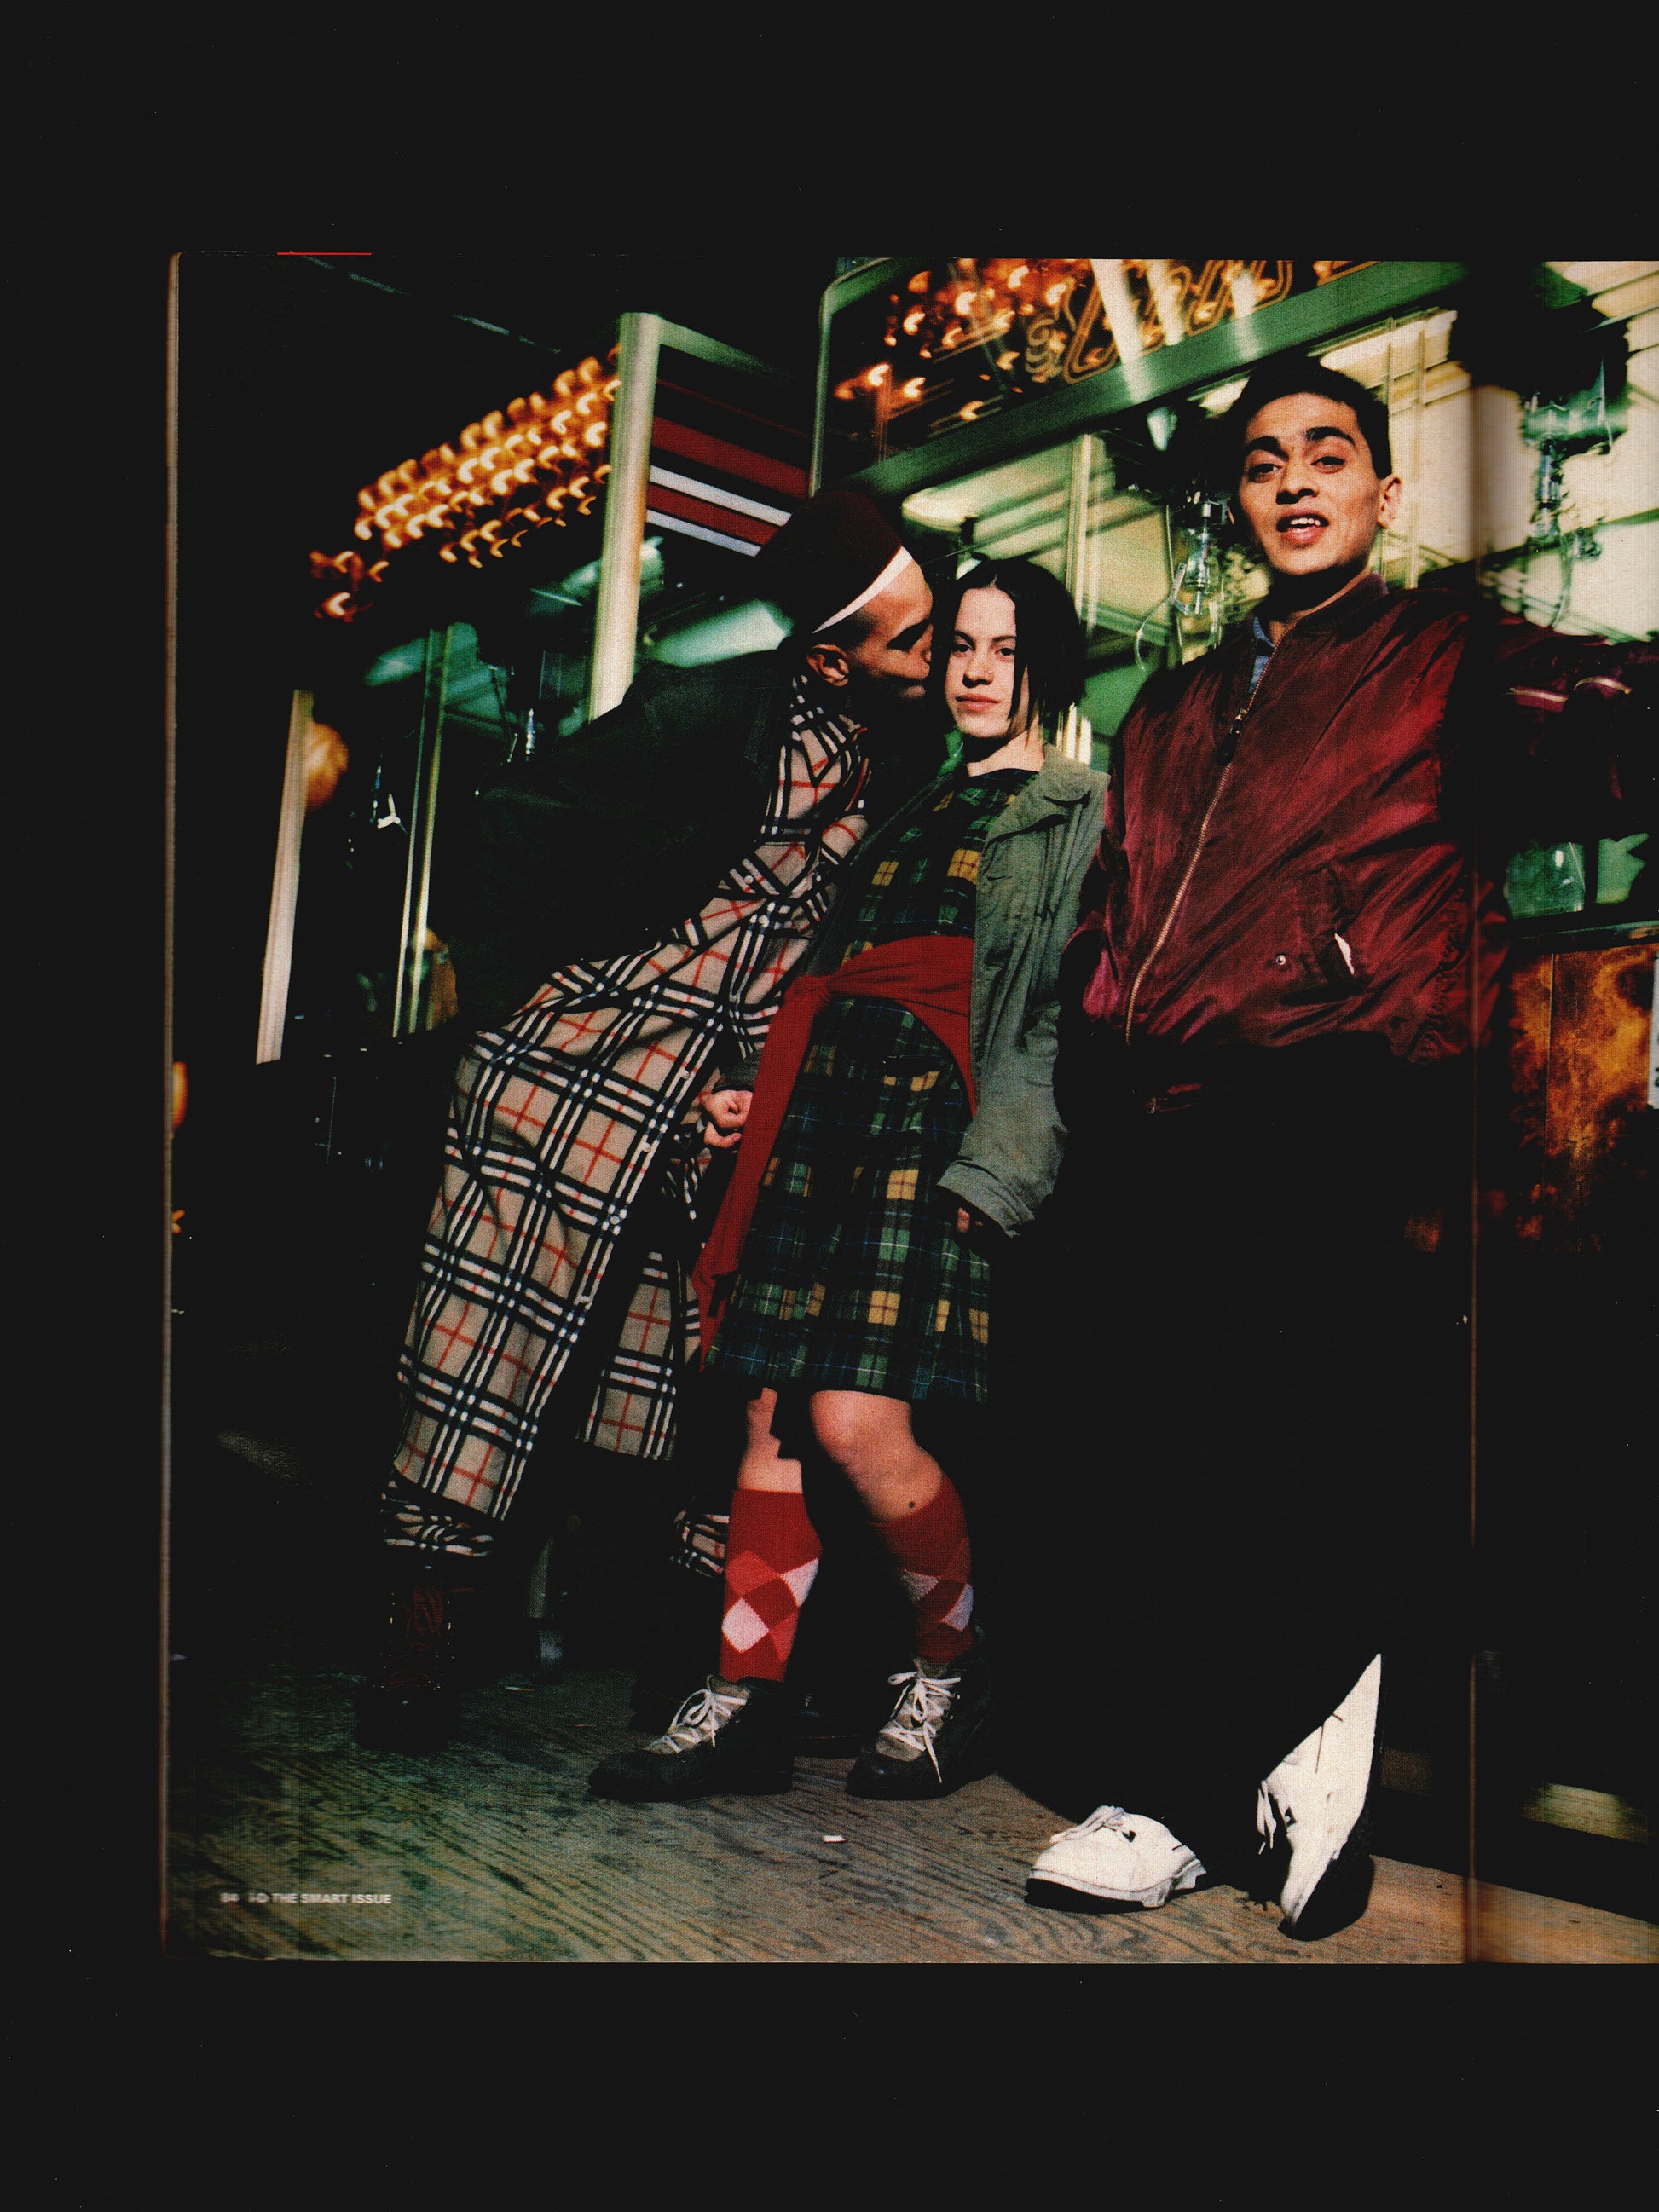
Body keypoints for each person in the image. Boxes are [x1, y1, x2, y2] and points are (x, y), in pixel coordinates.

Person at [1020, 355, 1652, 1934]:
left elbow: (1621, 729)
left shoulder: (1448, 654)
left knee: (1258, 1445)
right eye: (1261, 461)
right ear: (1237, 504)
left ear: (1383, 487)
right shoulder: (1172, 701)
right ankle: (1295, 1748)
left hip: (1341, 1092)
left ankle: (1173, 1800)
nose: (1293, 480)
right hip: (1166, 1116)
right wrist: (1099, 1033)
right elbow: (1113, 907)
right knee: (1173, 1451)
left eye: (1326, 452)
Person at [356, 488, 939, 1752]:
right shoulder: (707, 713)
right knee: (484, 1348)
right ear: (829, 659)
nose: (936, 647)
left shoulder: (908, 757)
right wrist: (511, 1003)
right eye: (911, 637)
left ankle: (690, 1657)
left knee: (713, 1372)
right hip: (578, 1062)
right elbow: (510, 825)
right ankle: (417, 1641)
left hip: (720, 1091)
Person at [588, 557, 1107, 1804]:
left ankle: (954, 1667)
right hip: (821, 1110)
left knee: (853, 1423)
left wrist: (1002, 1168)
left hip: (935, 1120)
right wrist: (746, 1089)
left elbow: (1057, 1013)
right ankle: (743, 1701)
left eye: (1007, 651)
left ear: (1049, 669)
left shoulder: (1083, 809)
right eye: (961, 647)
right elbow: (819, 976)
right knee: (768, 1415)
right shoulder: (908, 801)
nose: (976, 671)